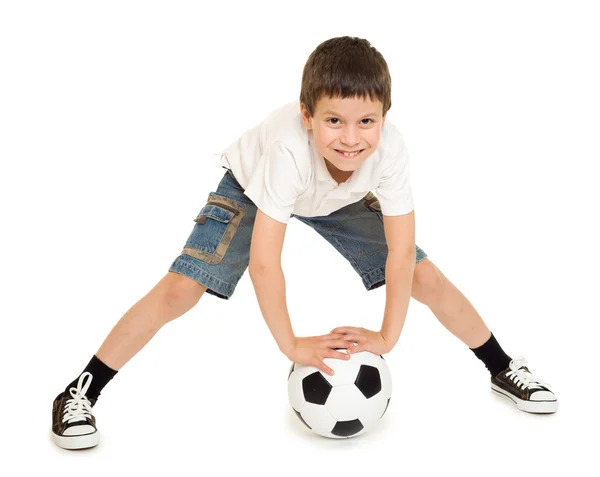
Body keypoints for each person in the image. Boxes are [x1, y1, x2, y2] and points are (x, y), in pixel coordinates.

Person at [51, 36, 557, 450]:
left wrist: (386, 337)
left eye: (367, 122)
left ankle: (503, 367)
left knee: (426, 274)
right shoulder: (287, 151)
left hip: (340, 196)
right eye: (334, 120)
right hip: (254, 190)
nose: (351, 138)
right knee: (181, 288)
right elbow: (266, 264)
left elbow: (402, 253)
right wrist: (291, 344)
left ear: (385, 117)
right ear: (307, 115)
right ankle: (81, 390)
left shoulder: (391, 151)